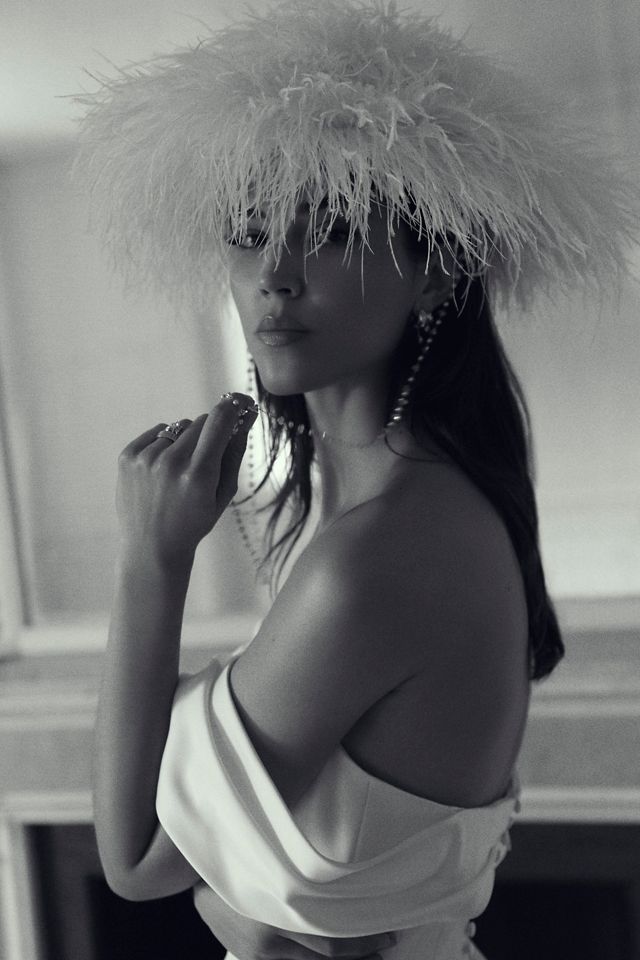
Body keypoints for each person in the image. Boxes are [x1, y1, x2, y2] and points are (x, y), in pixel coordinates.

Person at [73, 1, 640, 957]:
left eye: (332, 229)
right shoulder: (409, 505)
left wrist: (150, 562)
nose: (274, 273)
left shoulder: (379, 553)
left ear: (438, 273)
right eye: (248, 229)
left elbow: (132, 860)